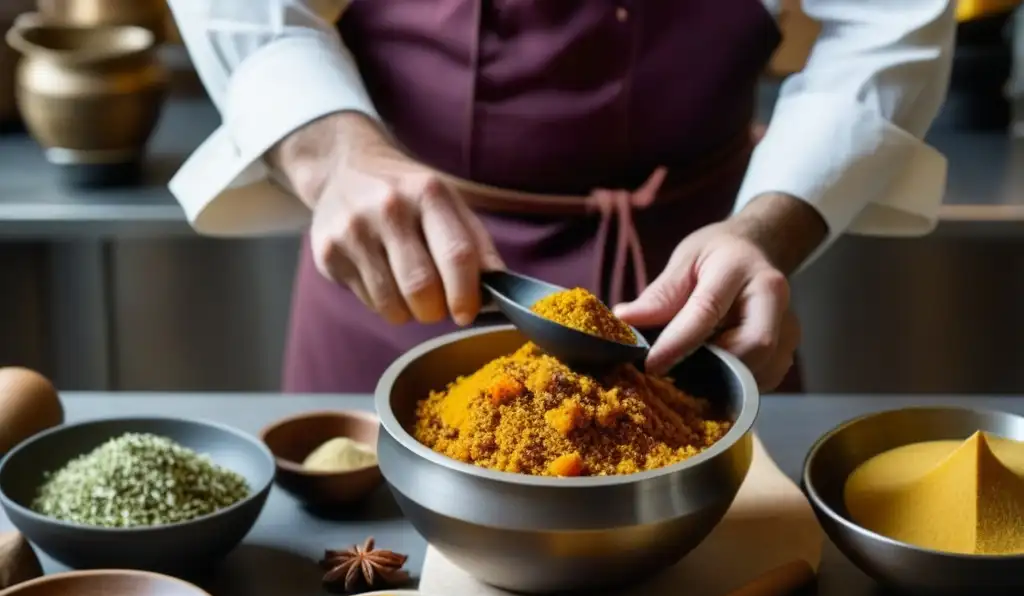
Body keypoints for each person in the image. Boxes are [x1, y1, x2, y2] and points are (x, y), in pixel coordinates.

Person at [167, 0, 955, 394]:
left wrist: (766, 231)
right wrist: (335, 153)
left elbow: (889, 18)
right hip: (398, 266)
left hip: (699, 285)